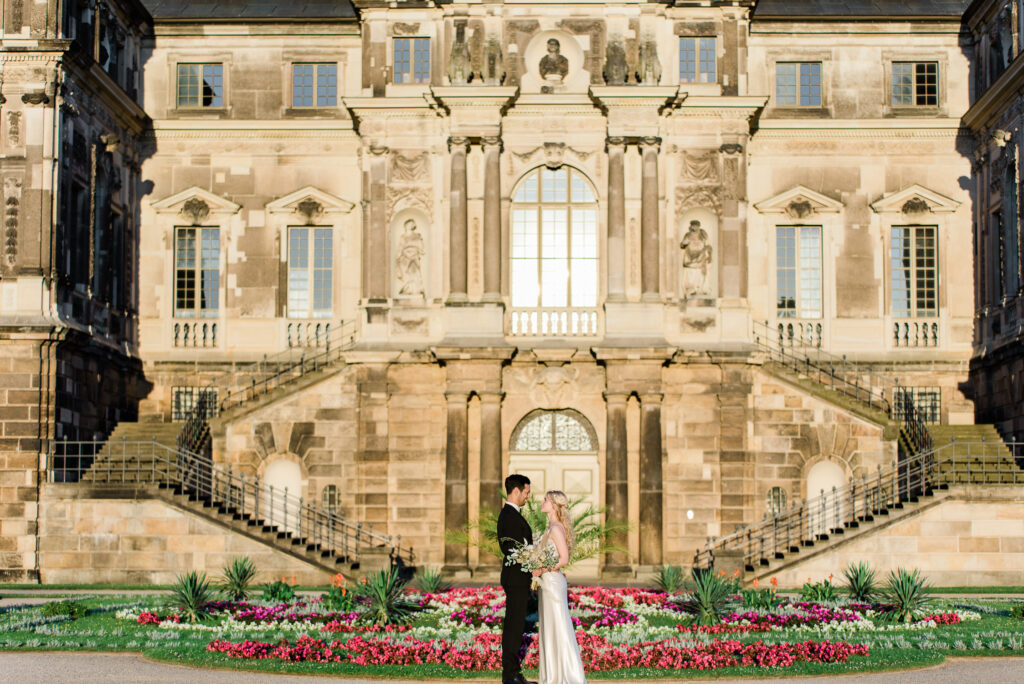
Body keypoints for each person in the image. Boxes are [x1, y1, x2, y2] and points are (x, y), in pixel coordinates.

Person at [535, 490, 587, 684]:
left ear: (554, 505)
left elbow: (564, 558)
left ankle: (568, 676)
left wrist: (542, 568)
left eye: (546, 500)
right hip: (545, 584)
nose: (542, 502)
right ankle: (552, 676)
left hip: (553, 583)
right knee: (549, 629)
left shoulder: (556, 528)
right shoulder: (548, 528)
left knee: (559, 627)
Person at [498, 474, 535, 684]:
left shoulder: (512, 514)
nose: (528, 497)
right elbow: (513, 550)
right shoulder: (509, 516)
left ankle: (512, 672)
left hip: (518, 577)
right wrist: (534, 564)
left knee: (516, 625)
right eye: (526, 492)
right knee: (514, 627)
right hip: (516, 578)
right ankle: (510, 674)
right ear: (516, 491)